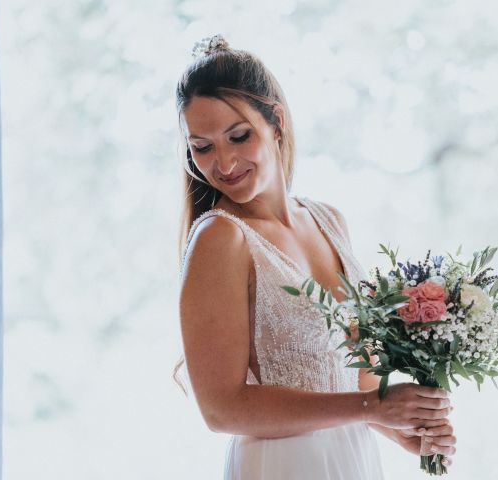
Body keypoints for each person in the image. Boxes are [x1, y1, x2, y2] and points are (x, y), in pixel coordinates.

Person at [172, 34, 457, 479]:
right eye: (202, 146)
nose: (223, 163)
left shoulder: (329, 221)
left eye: (238, 136)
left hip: (352, 459)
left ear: (276, 123)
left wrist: (395, 422)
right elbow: (221, 410)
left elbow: (353, 374)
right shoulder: (221, 239)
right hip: (281, 466)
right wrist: (369, 406)